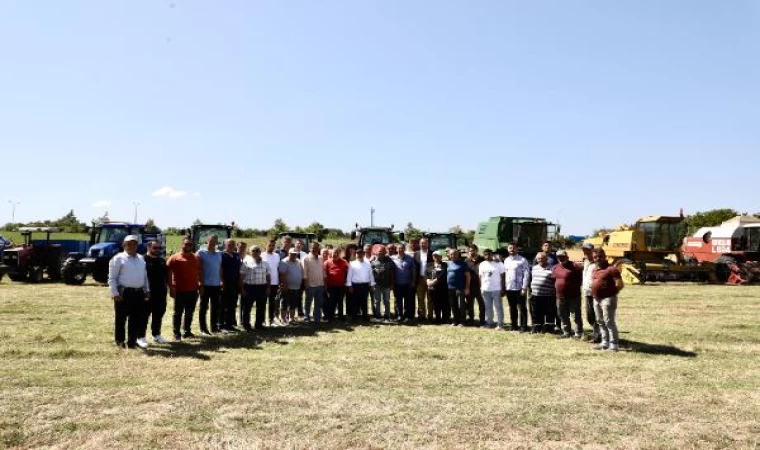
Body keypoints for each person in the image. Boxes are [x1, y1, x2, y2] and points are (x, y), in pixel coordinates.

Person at [107, 235, 150, 349]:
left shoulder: (141, 259)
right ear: (124, 245)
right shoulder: (118, 258)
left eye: (134, 244)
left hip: (139, 292)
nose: (132, 246)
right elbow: (112, 278)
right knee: (121, 319)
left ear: (137, 245)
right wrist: (114, 293)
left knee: (135, 318)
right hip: (124, 292)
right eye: (129, 244)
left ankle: (132, 342)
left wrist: (147, 290)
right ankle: (120, 341)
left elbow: (144, 276)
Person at [166, 237, 201, 341]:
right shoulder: (174, 258)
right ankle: (176, 333)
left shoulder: (195, 258)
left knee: (190, 312)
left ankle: (187, 331)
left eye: (190, 244)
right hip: (179, 290)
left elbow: (198, 272)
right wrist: (171, 287)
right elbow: (168, 273)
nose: (188, 246)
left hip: (193, 290)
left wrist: (199, 285)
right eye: (186, 244)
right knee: (178, 313)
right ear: (182, 244)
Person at [591, 248, 624, 351]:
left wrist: (612, 294)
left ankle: (614, 344)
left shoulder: (612, 269)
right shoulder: (595, 269)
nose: (598, 259)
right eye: (595, 257)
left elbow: (620, 284)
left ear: (605, 256)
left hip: (607, 299)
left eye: (600, 256)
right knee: (600, 321)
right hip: (596, 299)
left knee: (609, 321)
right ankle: (604, 342)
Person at [141, 240, 169, 344]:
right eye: (155, 248)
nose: (157, 250)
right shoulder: (142, 260)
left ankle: (156, 335)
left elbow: (166, 277)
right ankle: (141, 337)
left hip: (160, 294)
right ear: (148, 248)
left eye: (159, 248)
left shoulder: (162, 261)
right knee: (144, 316)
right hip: (146, 293)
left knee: (158, 315)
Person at [553, 249, 584, 339]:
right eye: (559, 257)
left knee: (575, 315)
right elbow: (554, 279)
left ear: (567, 257)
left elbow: (580, 280)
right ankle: (566, 332)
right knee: (562, 315)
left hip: (573, 296)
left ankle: (578, 333)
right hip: (560, 296)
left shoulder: (576, 266)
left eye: (563, 257)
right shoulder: (555, 267)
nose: (561, 259)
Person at [239, 245, 271, 331]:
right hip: (249, 288)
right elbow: (241, 277)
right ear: (250, 252)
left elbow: (268, 276)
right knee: (247, 307)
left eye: (257, 250)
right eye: (253, 250)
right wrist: (242, 289)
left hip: (262, 287)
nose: (255, 252)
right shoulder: (246, 262)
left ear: (260, 252)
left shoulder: (265, 262)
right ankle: (246, 325)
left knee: (261, 307)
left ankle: (259, 325)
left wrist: (268, 287)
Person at [196, 234, 222, 335]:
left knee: (215, 307)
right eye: (211, 241)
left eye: (215, 241)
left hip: (216, 285)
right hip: (205, 285)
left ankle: (214, 327)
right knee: (203, 307)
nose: (213, 243)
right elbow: (197, 270)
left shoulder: (219, 254)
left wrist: (221, 280)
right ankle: (203, 329)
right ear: (207, 241)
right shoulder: (200, 253)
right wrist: (200, 284)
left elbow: (220, 268)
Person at [503, 243, 530, 332]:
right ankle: (514, 325)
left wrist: (524, 288)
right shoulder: (506, 260)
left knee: (522, 308)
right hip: (509, 288)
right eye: (510, 248)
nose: (512, 249)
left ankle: (523, 326)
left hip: (519, 288)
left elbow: (526, 275)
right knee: (512, 307)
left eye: (514, 248)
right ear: (507, 249)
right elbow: (505, 275)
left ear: (517, 249)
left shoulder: (522, 260)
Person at [479, 249, 505, 329]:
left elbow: (503, 276)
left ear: (492, 254)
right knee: (488, 307)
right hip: (485, 289)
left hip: (496, 289)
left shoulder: (499, 263)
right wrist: (481, 287)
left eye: (489, 254)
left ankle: (500, 324)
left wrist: (502, 288)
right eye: (485, 254)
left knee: (498, 307)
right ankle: (490, 322)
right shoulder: (482, 264)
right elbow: (480, 277)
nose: (487, 256)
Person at [530, 252, 556, 333]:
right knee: (536, 312)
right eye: (538, 259)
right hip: (535, 295)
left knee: (549, 312)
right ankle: (537, 327)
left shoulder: (552, 269)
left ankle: (549, 328)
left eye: (542, 258)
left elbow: (554, 281)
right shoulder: (534, 268)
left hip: (548, 295)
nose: (540, 260)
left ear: (546, 259)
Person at [346, 247, 375, 321]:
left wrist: (372, 284)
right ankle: (354, 317)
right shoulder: (352, 263)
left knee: (364, 301)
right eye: (358, 253)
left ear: (364, 254)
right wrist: (349, 286)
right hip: (355, 285)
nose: (360, 255)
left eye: (361, 253)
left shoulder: (368, 263)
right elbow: (349, 276)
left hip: (365, 285)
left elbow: (371, 274)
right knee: (355, 302)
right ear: (356, 254)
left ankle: (365, 317)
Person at [220, 238, 242, 333]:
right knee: (223, 305)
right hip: (225, 283)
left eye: (233, 244)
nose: (231, 246)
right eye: (229, 244)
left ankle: (230, 324)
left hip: (235, 284)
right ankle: (221, 325)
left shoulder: (236, 255)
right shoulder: (221, 255)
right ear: (225, 245)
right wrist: (222, 281)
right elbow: (220, 269)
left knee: (232, 305)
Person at [392, 243, 417, 323]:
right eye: (399, 248)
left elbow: (414, 270)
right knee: (398, 301)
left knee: (408, 301)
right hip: (397, 284)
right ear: (396, 249)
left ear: (404, 249)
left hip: (408, 283)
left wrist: (413, 281)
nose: (400, 250)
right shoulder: (392, 258)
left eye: (402, 248)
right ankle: (399, 315)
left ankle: (407, 316)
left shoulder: (410, 258)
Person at [302, 242, 326, 325]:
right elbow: (305, 273)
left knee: (318, 303)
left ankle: (317, 318)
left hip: (320, 284)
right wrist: (306, 284)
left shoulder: (320, 258)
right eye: (313, 247)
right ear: (309, 248)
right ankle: (306, 317)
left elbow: (323, 271)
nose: (315, 249)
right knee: (308, 302)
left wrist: (324, 283)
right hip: (310, 285)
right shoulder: (306, 259)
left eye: (317, 247)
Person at [278, 248, 304, 324]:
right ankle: (283, 319)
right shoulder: (284, 261)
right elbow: (282, 275)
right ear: (288, 253)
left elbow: (300, 272)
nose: (293, 255)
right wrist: (284, 285)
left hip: (296, 287)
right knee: (284, 303)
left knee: (293, 303)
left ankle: (291, 318)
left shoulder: (298, 261)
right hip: (286, 287)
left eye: (295, 254)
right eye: (292, 254)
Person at [581, 243, 600, 343]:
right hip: (587, 292)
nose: (586, 252)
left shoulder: (598, 263)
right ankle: (597, 332)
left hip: (596, 293)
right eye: (584, 250)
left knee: (597, 314)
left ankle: (598, 335)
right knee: (589, 316)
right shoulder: (586, 262)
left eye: (588, 250)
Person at [324, 247, 349, 321]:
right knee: (332, 301)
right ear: (331, 253)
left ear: (340, 254)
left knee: (340, 301)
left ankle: (340, 316)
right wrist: (325, 285)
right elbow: (324, 275)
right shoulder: (327, 262)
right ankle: (331, 316)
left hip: (341, 286)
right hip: (331, 286)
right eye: (334, 253)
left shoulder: (344, 262)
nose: (335, 254)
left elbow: (348, 273)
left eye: (337, 253)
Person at [446, 249, 470, 327]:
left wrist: (467, 288)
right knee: (453, 305)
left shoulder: (463, 264)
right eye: (451, 254)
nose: (453, 256)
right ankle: (455, 321)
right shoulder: (449, 264)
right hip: (450, 288)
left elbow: (468, 276)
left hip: (460, 288)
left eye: (454, 254)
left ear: (458, 255)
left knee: (461, 305)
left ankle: (462, 321)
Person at [371, 245, 395, 321]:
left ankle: (387, 316)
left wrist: (392, 284)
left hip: (387, 284)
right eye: (379, 251)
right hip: (377, 285)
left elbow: (392, 273)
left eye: (382, 251)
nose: (381, 252)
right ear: (376, 252)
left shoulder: (389, 261)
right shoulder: (373, 262)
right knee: (377, 301)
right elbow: (370, 274)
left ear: (385, 252)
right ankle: (378, 316)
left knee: (387, 301)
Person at [465, 245, 486, 326]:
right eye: (470, 251)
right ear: (468, 252)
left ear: (477, 251)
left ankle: (482, 320)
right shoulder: (466, 261)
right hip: (470, 286)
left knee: (482, 304)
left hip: (481, 286)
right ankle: (471, 319)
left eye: (473, 250)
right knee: (470, 304)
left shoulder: (483, 260)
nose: (472, 252)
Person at [413, 238, 434, 322]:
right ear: (419, 244)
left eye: (425, 243)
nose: (423, 245)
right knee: (420, 298)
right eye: (421, 243)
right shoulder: (416, 254)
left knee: (430, 298)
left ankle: (430, 316)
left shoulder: (432, 253)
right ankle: (422, 315)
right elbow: (414, 268)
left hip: (430, 279)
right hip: (420, 279)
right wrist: (414, 280)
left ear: (428, 244)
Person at [262, 239, 282, 327]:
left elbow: (277, 269)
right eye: (270, 245)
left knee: (272, 302)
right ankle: (261, 321)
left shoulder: (277, 255)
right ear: (266, 245)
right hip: (263, 282)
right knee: (262, 302)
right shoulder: (262, 255)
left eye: (273, 245)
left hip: (275, 282)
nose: (271, 247)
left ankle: (271, 320)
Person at [426, 251, 449, 324]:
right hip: (432, 289)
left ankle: (444, 319)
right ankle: (437, 318)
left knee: (443, 303)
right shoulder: (429, 265)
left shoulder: (444, 265)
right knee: (435, 304)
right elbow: (426, 274)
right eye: (434, 256)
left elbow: (442, 275)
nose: (436, 257)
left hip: (442, 287)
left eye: (437, 256)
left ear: (441, 257)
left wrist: (432, 283)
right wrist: (428, 281)